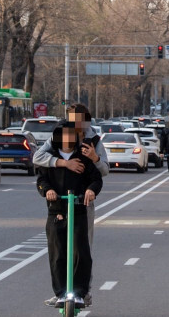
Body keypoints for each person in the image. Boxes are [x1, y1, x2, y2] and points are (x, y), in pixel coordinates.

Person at [33, 103, 107, 306]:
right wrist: (62, 164)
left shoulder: (93, 141)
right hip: (57, 208)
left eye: (79, 120)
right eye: (72, 119)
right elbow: (39, 163)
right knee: (58, 252)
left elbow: (101, 173)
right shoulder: (56, 141)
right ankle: (62, 292)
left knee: (82, 250)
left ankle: (82, 292)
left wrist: (94, 159)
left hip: (82, 204)